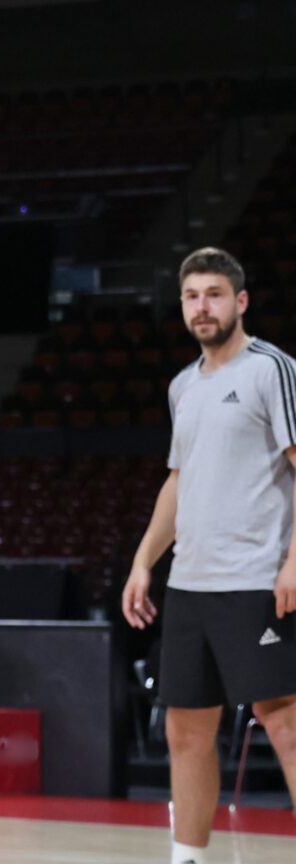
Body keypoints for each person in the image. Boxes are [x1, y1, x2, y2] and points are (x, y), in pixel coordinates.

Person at [121, 247, 296, 864]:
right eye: (193, 295)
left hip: (256, 579)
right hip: (190, 584)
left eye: (215, 294)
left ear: (240, 301)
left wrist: (295, 561)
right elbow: (179, 480)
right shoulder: (182, 386)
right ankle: (188, 859)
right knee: (185, 730)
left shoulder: (271, 369)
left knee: (285, 722)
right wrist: (145, 560)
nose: (203, 306)